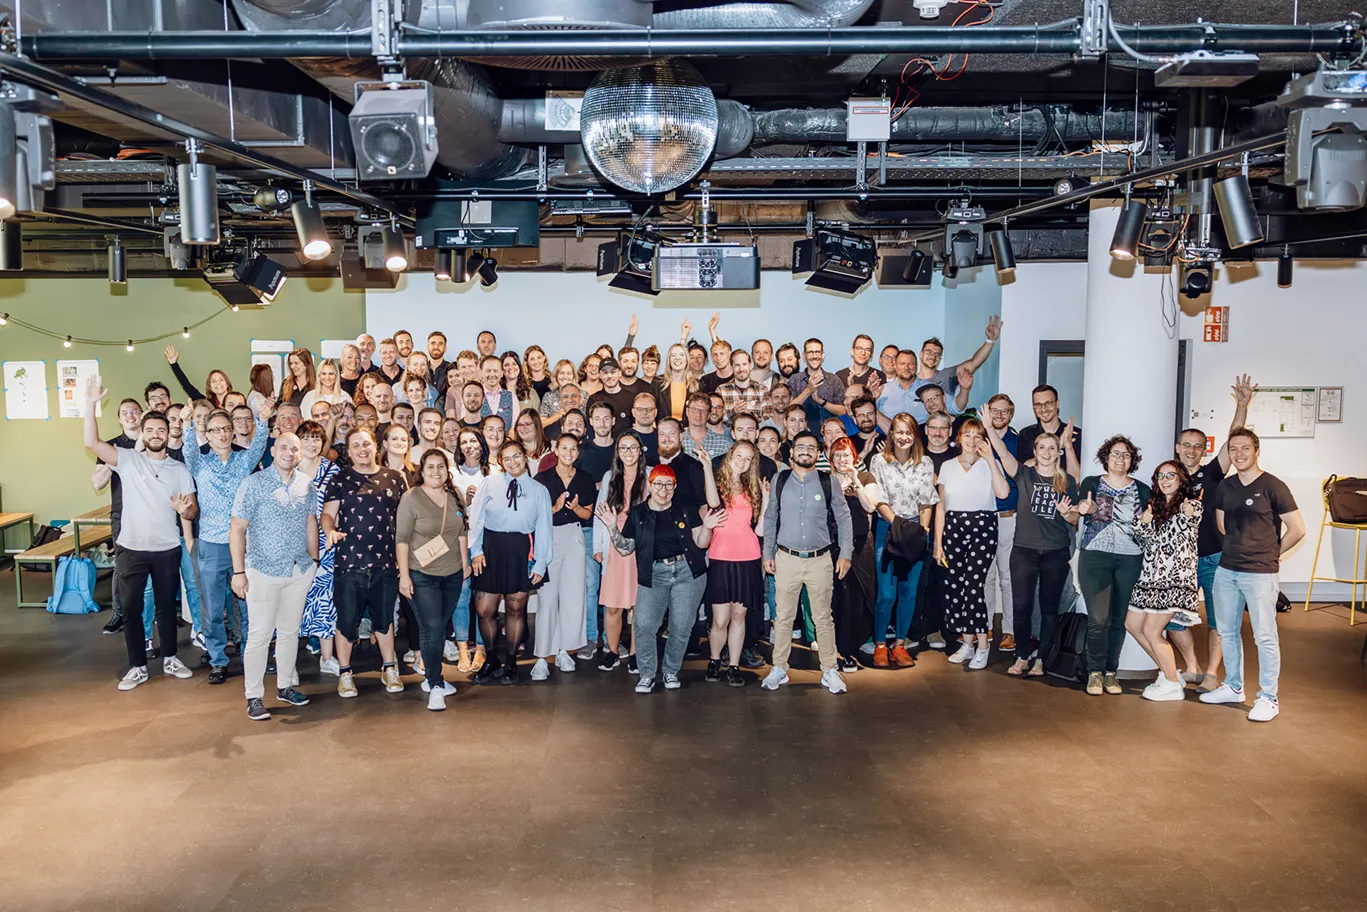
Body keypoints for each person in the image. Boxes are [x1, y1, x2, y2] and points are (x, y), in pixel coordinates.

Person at [83, 377, 199, 691]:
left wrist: (183, 511)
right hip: (131, 549)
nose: (156, 434)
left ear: (168, 433)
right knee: (132, 611)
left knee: (166, 608)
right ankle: (137, 666)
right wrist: (91, 405)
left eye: (161, 430)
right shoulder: (128, 460)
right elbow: (92, 444)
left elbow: (191, 512)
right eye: (150, 430)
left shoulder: (180, 470)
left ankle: (172, 658)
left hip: (166, 550)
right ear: (143, 435)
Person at [1200, 429, 1305, 722]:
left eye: (1245, 448)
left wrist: (1273, 553)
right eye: (1233, 449)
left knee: (1265, 636)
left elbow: (1297, 529)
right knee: (1228, 632)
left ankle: (1269, 698)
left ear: (1256, 451)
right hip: (1227, 571)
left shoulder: (1274, 486)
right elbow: (1222, 526)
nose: (1239, 454)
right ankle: (1233, 686)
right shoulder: (1225, 486)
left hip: (1260, 574)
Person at [594, 465, 718, 693]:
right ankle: (647, 674)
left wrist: (708, 528)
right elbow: (625, 549)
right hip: (654, 574)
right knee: (643, 625)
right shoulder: (638, 513)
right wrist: (613, 528)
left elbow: (701, 543)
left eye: (668, 484)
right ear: (650, 485)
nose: (663, 489)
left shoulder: (685, 508)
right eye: (658, 484)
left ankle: (670, 670)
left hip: (688, 572)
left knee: (681, 626)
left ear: (675, 486)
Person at [1173, 374, 1255, 688]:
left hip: (1213, 557)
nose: (1192, 450)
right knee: (1174, 617)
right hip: (1179, 561)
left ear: (1204, 449)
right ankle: (1192, 666)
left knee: (1219, 620)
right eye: (1187, 445)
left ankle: (1210, 674)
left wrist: (1243, 405)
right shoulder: (1167, 476)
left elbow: (1233, 437)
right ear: (1178, 447)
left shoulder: (1213, 472)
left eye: (1198, 446)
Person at [229, 432, 318, 720]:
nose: (289, 452)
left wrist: (313, 560)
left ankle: (285, 685)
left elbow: (310, 522)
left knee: (290, 631)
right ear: (272, 450)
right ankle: (253, 696)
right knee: (259, 635)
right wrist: (239, 571)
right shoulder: (252, 483)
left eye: (295, 448)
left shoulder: (306, 484)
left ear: (301, 454)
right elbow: (237, 529)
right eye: (284, 447)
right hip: (262, 570)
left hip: (298, 569)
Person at [184, 399, 273, 684]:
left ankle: (250, 655)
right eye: (215, 430)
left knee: (249, 606)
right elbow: (188, 449)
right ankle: (218, 659)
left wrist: (263, 419)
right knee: (211, 610)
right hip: (210, 544)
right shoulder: (200, 462)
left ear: (233, 432)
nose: (222, 434)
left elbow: (260, 442)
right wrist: (187, 424)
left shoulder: (244, 460)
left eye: (226, 429)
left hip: (244, 544)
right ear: (207, 434)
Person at [761, 431, 854, 695]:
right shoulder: (780, 479)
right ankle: (779, 667)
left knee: (823, 617)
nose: (805, 451)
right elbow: (770, 518)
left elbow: (844, 518)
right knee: (783, 618)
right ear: (791, 452)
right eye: (800, 447)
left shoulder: (828, 481)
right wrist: (768, 553)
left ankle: (829, 669)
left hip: (820, 560)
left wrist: (845, 553)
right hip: (786, 558)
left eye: (811, 448)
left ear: (818, 453)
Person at [322, 427, 408, 699]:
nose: (362, 449)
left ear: (376, 447)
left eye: (367, 444)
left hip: (386, 562)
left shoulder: (395, 478)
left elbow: (406, 518)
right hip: (349, 562)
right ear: (349, 451)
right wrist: (330, 531)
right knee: (347, 621)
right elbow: (327, 515)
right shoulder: (339, 479)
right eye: (356, 445)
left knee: (384, 618)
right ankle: (345, 673)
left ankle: (389, 667)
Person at [989, 431, 1081, 677]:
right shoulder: (1025, 475)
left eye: (1052, 448)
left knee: (1049, 608)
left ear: (1058, 452)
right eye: (1043, 448)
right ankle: (1021, 656)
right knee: (1022, 607)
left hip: (1056, 552)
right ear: (1035, 451)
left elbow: (1074, 519)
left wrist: (1065, 513)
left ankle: (1041, 659)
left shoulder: (1067, 482)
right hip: (1024, 551)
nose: (1047, 453)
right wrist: (988, 429)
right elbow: (1004, 454)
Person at [467, 440, 554, 685]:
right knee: (485, 609)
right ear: (500, 462)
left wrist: (540, 563)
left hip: (520, 550)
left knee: (516, 609)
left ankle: (511, 663)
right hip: (490, 549)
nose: (512, 461)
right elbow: (477, 518)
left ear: (525, 457)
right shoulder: (489, 483)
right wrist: (476, 551)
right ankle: (492, 658)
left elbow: (544, 528)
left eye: (517, 456)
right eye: (507, 458)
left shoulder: (539, 490)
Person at [1076, 435, 1150, 696]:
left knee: (1118, 618)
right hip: (1095, 555)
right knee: (1098, 618)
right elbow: (1077, 511)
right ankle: (1094, 672)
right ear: (1106, 457)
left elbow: (1148, 525)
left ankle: (1111, 673)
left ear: (1133, 460)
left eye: (1126, 455)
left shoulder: (1142, 489)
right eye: (1116, 454)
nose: (1121, 459)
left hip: (1130, 557)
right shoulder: (1091, 483)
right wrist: (1083, 507)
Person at [397, 449, 470, 711]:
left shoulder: (454, 495)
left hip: (451, 574)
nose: (436, 472)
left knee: (440, 626)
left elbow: (462, 531)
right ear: (422, 470)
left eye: (441, 467)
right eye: (430, 467)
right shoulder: (411, 498)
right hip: (421, 574)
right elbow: (401, 539)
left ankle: (432, 678)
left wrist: (465, 564)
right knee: (431, 627)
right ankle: (436, 682)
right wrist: (404, 576)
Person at [934, 420, 1009, 671]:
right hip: (953, 525)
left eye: (978, 435)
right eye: (968, 434)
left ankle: (983, 646)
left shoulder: (990, 464)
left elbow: (1003, 493)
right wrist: (938, 542)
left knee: (974, 584)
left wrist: (990, 460)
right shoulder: (947, 466)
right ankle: (966, 643)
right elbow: (941, 506)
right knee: (956, 585)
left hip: (983, 524)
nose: (972, 439)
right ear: (959, 437)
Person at [1127, 461, 1204, 702]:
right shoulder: (1155, 507)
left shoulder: (1190, 505)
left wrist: (1190, 512)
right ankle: (1170, 673)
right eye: (1161, 475)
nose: (1165, 479)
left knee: (1152, 631)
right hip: (1149, 579)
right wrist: (1145, 519)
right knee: (1132, 625)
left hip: (1174, 581)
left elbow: (1194, 519)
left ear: (1181, 478)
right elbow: (1143, 541)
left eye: (1171, 475)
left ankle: (1171, 683)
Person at [868, 413, 938, 668]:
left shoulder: (925, 463)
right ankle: (879, 644)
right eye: (899, 431)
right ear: (891, 435)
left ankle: (899, 645)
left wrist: (924, 530)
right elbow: (879, 499)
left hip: (916, 531)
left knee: (909, 593)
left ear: (915, 436)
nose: (904, 437)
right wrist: (899, 527)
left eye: (909, 432)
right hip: (889, 529)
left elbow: (927, 500)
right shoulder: (878, 461)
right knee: (887, 594)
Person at [531, 434, 595, 680]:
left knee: (573, 597)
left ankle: (564, 650)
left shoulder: (585, 479)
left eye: (573, 449)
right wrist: (555, 509)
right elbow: (534, 516)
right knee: (547, 599)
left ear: (578, 452)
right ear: (555, 450)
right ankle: (540, 658)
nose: (569, 452)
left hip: (574, 537)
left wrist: (576, 509)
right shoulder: (542, 480)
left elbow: (588, 514)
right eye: (564, 447)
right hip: (548, 539)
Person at [704, 441, 766, 687]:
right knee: (720, 619)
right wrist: (707, 467)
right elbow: (711, 502)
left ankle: (734, 665)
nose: (742, 461)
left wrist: (768, 500)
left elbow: (759, 530)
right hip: (721, 557)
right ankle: (715, 659)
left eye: (748, 458)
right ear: (730, 456)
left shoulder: (753, 488)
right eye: (738, 455)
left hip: (748, 558)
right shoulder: (718, 484)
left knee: (739, 616)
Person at [593, 432, 650, 673]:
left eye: (633, 448)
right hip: (614, 548)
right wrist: (598, 546)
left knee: (639, 606)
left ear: (640, 451)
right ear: (618, 452)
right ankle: (613, 651)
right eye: (623, 448)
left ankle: (636, 654)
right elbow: (600, 511)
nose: (628, 453)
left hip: (640, 549)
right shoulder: (609, 477)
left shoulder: (649, 476)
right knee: (613, 605)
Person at [829, 438, 879, 672]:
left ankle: (855, 644)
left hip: (860, 546)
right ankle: (842, 650)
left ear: (854, 457)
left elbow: (870, 507)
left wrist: (855, 481)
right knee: (838, 598)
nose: (842, 459)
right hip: (833, 545)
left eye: (846, 455)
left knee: (861, 597)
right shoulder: (826, 481)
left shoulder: (866, 478)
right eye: (837, 455)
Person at [296, 420, 342, 676]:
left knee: (326, 600)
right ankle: (287, 658)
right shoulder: (287, 467)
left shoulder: (332, 470)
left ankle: (327, 657)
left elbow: (338, 509)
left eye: (316, 438)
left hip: (326, 544)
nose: (312, 443)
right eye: (306, 438)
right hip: (292, 544)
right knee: (291, 600)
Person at [453, 428, 494, 673]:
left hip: (487, 541)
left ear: (481, 444)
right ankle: (461, 649)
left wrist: (482, 502)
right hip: (461, 540)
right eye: (464, 442)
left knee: (483, 596)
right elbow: (447, 510)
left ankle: (481, 647)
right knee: (462, 594)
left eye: (473, 441)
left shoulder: (495, 472)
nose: (469, 446)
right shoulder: (452, 474)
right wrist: (465, 504)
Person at [981, 394, 1020, 652]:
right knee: (986, 575)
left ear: (1011, 414)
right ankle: (985, 625)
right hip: (983, 515)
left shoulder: (1018, 442)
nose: (998, 415)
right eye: (994, 410)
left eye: (1004, 411)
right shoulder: (978, 438)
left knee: (1007, 575)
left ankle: (1010, 630)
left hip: (1009, 516)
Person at [788, 337, 847, 434]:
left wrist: (822, 402)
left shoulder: (834, 380)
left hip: (828, 437)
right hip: (799, 435)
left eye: (817, 352)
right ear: (804, 356)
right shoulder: (794, 380)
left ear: (822, 355)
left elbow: (844, 411)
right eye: (810, 352)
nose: (814, 356)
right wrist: (808, 390)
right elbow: (789, 409)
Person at [1017, 384, 1082, 471]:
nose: (1043, 409)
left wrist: (1067, 445)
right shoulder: (1026, 434)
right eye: (1038, 404)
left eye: (1048, 403)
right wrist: (1057, 448)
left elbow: (1077, 478)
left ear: (1057, 404)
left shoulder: (1075, 434)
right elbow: (1022, 469)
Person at [587, 356, 636, 435]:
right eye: (605, 372)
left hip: (625, 446)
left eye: (613, 372)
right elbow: (590, 431)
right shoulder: (594, 399)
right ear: (599, 375)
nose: (609, 376)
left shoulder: (632, 398)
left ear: (619, 373)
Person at [716, 348, 768, 422]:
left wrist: (750, 416)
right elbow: (716, 420)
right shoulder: (721, 390)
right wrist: (733, 412)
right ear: (732, 367)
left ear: (750, 365)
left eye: (744, 364)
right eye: (737, 365)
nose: (741, 369)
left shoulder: (762, 390)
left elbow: (769, 421)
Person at [656, 342, 698, 421]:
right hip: (664, 430)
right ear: (669, 360)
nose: (677, 358)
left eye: (681, 355)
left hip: (688, 431)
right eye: (673, 355)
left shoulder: (697, 384)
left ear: (687, 359)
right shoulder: (657, 383)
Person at [683, 392, 731, 459]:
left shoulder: (723, 443)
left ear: (708, 415)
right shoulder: (678, 441)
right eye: (694, 409)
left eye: (703, 411)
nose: (698, 414)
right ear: (687, 411)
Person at [478, 355, 516, 429]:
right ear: (481, 372)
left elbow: (514, 428)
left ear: (501, 373)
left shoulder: (511, 397)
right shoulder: (474, 397)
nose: (492, 374)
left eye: (495, 371)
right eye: (488, 371)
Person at [426, 331, 453, 400]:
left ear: (445, 348)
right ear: (427, 347)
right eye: (433, 343)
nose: (436, 347)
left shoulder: (452, 369)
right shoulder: (421, 369)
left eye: (440, 344)